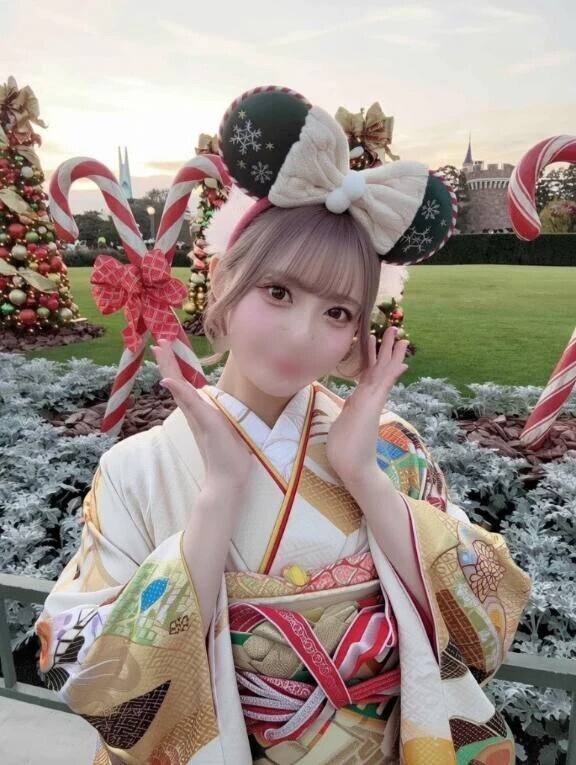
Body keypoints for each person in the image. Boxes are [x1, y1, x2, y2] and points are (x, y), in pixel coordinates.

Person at [35, 87, 531, 765]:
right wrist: (217, 499)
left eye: (338, 313)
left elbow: (484, 625)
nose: (303, 334)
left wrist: (365, 476)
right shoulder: (136, 469)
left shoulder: (390, 446)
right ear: (224, 282)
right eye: (278, 292)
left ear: (358, 330)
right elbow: (82, 669)